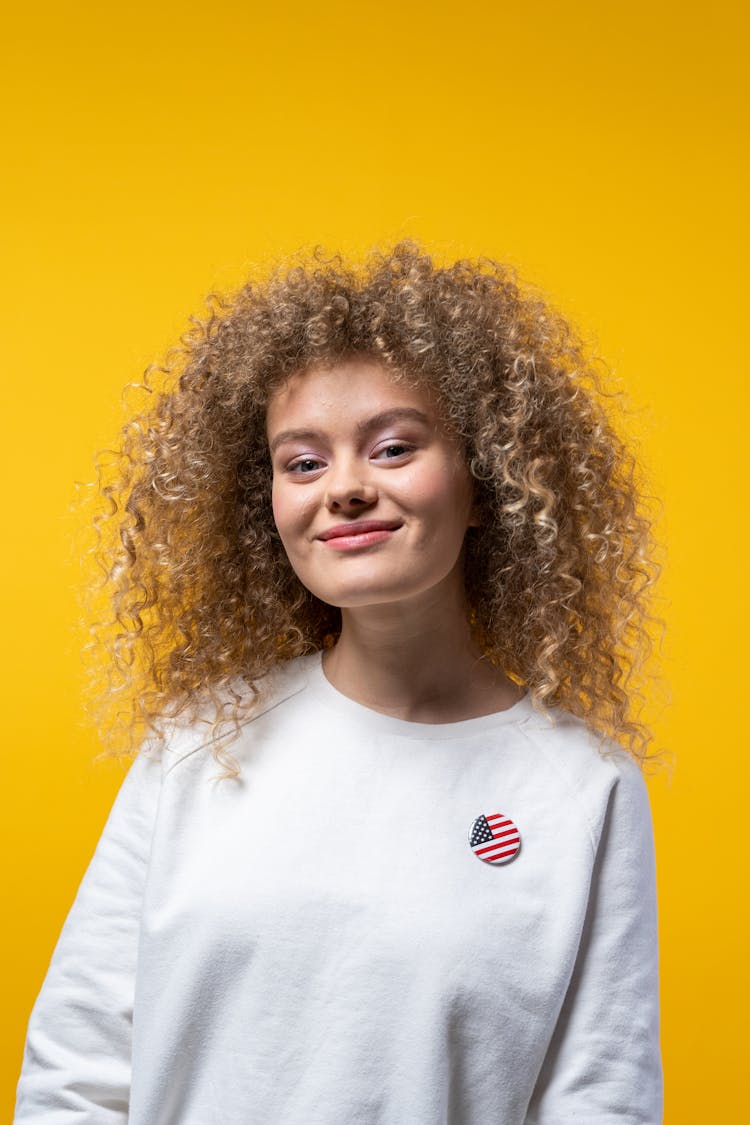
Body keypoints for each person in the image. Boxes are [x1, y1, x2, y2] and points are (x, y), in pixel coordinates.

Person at [14, 240, 665, 1123]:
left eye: (393, 448)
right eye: (304, 461)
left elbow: (602, 1100)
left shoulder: (584, 790)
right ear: (270, 504)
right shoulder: (200, 745)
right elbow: (78, 1071)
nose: (346, 488)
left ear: (486, 482)